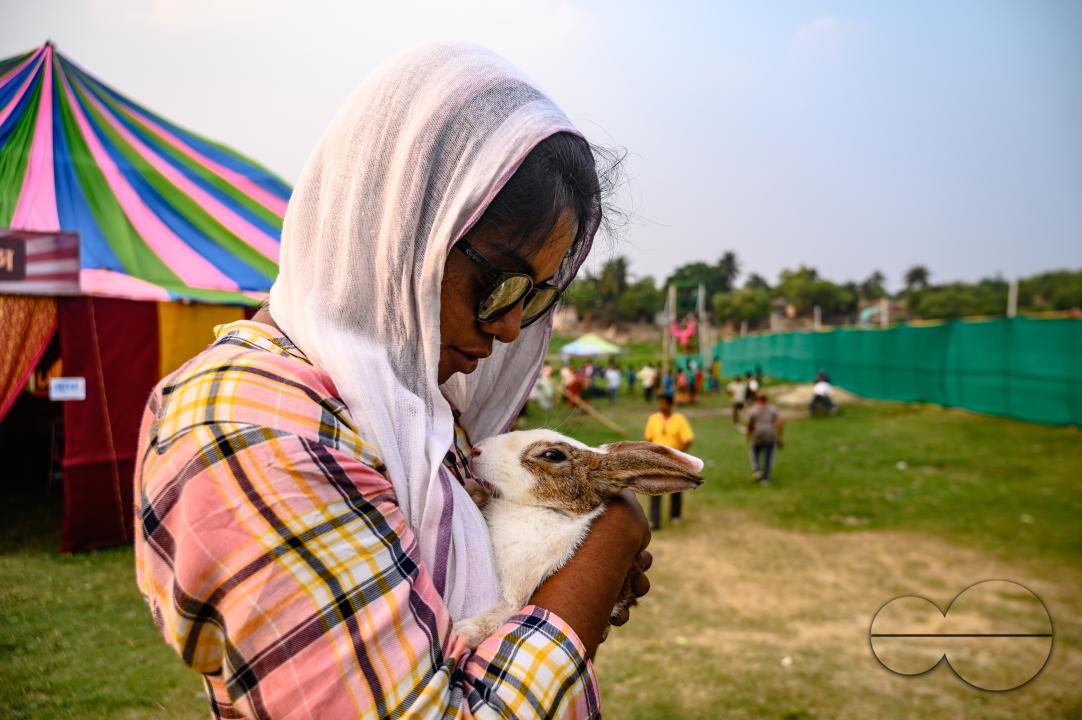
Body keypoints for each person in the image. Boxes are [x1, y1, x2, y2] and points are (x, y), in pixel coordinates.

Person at [133, 45, 652, 718]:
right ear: (398, 230)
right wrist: (607, 541)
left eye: (538, 299)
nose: (508, 330)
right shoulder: (247, 430)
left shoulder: (403, 407)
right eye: (501, 285)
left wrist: (558, 569)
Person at [643, 393, 695, 529]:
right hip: (657, 459)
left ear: (671, 404)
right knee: (655, 487)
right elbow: (648, 438)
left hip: (674, 459)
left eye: (664, 403)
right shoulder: (653, 418)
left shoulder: (679, 419)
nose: (661, 406)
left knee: (675, 487)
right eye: (659, 403)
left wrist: (679, 454)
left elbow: (688, 439)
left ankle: (675, 515)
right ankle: (655, 520)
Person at [747, 392, 784, 485]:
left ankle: (757, 469)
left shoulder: (753, 409)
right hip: (770, 433)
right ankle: (766, 478)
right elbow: (779, 423)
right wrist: (780, 436)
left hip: (757, 433)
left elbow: (750, 424)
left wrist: (749, 435)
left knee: (754, 451)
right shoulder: (772, 409)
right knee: (768, 456)